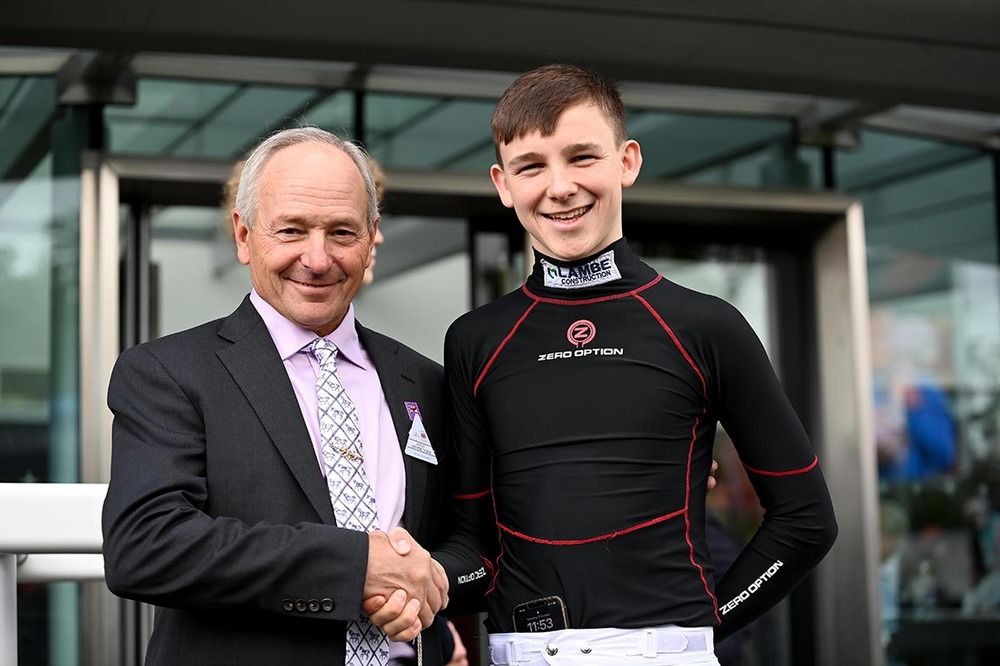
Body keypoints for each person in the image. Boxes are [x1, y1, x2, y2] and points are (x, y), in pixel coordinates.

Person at [397, 64, 838, 665]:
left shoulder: (706, 325)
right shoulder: (476, 339)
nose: (560, 187)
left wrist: (705, 624)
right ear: (503, 184)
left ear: (627, 161)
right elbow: (474, 546)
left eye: (582, 157)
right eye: (531, 166)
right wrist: (411, 579)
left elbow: (806, 520)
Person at [102, 127, 473, 665]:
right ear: (244, 234)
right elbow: (146, 546)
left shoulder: (426, 382)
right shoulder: (168, 373)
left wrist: (425, 583)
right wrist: (355, 567)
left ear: (372, 238)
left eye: (341, 232)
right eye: (292, 230)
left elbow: (467, 541)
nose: (317, 259)